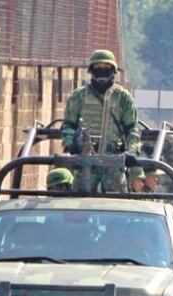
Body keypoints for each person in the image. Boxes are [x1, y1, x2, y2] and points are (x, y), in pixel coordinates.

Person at [60, 49, 143, 192]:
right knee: (78, 202)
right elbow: (68, 125)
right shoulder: (79, 96)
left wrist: (131, 151)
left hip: (114, 161)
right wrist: (71, 144)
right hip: (85, 161)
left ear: (113, 70)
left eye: (106, 67)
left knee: (116, 203)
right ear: (92, 70)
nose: (102, 70)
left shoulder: (123, 97)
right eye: (98, 67)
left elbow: (132, 129)